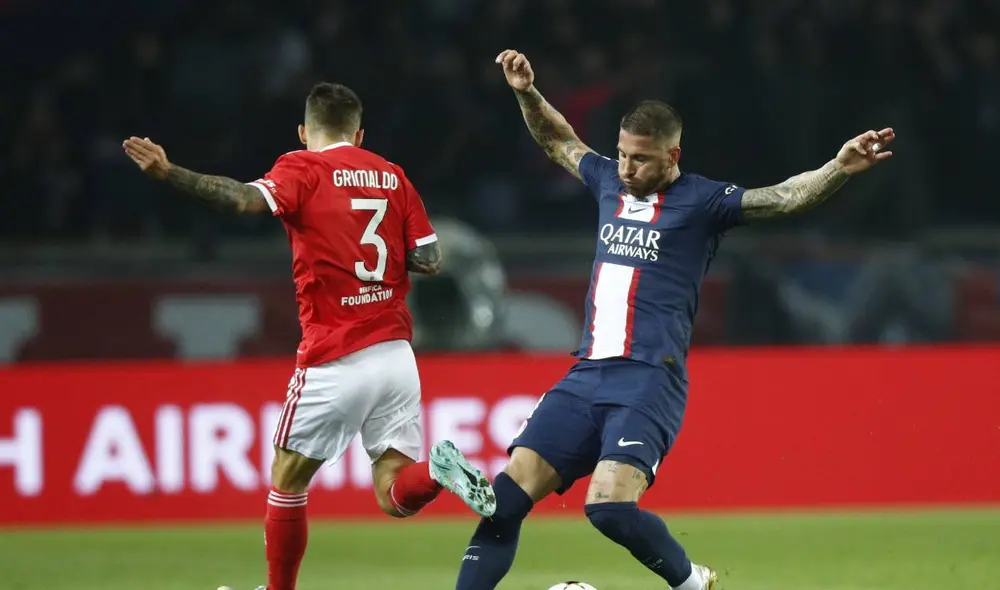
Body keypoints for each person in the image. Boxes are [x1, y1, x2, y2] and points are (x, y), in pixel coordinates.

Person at [451, 49, 895, 590]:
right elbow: (558, 140)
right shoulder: (608, 181)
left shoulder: (703, 202)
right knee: (502, 505)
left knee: (608, 509)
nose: (626, 168)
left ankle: (692, 582)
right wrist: (526, 92)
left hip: (648, 379)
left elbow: (781, 198)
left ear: (672, 155)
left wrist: (838, 168)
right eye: (621, 154)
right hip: (586, 374)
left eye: (640, 159)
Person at [123, 82, 497, 590]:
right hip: (395, 354)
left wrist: (170, 172)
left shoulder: (301, 167)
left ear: (303, 132)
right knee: (393, 494)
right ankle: (436, 472)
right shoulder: (392, 175)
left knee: (287, 480)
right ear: (359, 134)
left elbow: (240, 200)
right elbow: (430, 259)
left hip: (336, 354)